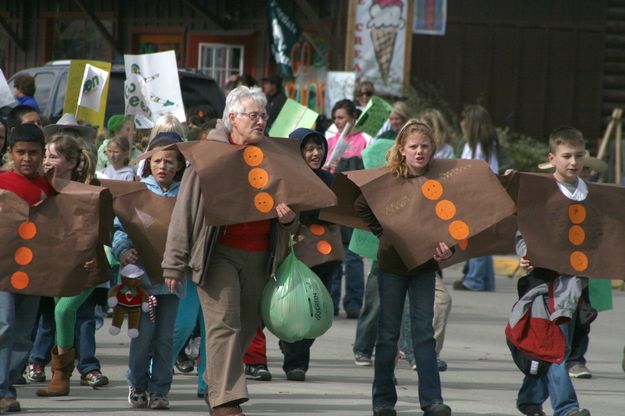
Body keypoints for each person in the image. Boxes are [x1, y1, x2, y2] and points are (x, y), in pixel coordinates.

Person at [161, 85, 298, 416]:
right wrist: (173, 263)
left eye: (264, 115)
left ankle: (214, 383)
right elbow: (186, 209)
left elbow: (294, 216)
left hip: (261, 255)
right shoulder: (210, 154)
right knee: (224, 324)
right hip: (217, 254)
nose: (261, 121)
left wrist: (290, 220)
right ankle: (226, 400)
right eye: (254, 115)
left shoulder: (274, 156)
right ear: (232, 118)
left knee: (248, 326)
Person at [354, 120, 452, 416]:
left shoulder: (441, 180)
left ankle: (432, 401)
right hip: (392, 267)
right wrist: (386, 234)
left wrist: (449, 246)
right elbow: (361, 205)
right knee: (388, 334)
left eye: (425, 146)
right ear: (402, 150)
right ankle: (383, 400)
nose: (419, 151)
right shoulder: (388, 180)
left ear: (432, 149)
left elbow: (456, 218)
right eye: (413, 147)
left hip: (424, 266)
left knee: (423, 333)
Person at [514, 126, 591, 416]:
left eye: (579, 155)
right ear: (552, 158)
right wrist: (525, 255)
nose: (573, 162)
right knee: (556, 347)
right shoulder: (540, 193)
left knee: (558, 346)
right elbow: (524, 232)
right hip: (544, 284)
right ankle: (567, 409)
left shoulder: (591, 196)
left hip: (576, 284)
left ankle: (529, 401)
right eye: (567, 155)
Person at [113, 132, 187, 410]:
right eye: (158, 161)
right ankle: (137, 385)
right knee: (142, 336)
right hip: (141, 281)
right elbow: (122, 228)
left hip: (172, 281)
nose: (163, 167)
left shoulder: (186, 193)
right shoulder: (138, 192)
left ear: (179, 165)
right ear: (149, 162)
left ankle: (160, 390)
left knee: (166, 339)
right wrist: (123, 251)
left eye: (170, 161)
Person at [36, 133, 105, 397]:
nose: (46, 161)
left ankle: (63, 373)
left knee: (65, 312)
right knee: (60, 317)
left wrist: (100, 255)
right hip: (55, 264)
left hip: (87, 265)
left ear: (72, 163)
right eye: (45, 155)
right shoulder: (43, 187)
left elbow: (107, 229)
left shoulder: (91, 189)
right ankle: (60, 380)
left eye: (52, 156)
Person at [277, 127, 341, 381]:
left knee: (318, 308)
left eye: (319, 148)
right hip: (296, 254)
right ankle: (296, 362)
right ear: (296, 152)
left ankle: (294, 346)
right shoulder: (284, 180)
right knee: (297, 309)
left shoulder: (330, 180)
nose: (316, 153)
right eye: (308, 148)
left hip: (325, 257)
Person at [0, 124, 55, 412]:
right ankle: (2, 389)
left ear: (42, 154)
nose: (27, 158)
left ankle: (7, 384)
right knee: (4, 325)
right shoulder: (2, 181)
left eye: (34, 152)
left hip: (34, 271)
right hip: (2, 271)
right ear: (11, 152)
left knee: (23, 332)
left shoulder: (49, 187)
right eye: (21, 152)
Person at [352, 101, 409, 365]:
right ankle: (363, 347)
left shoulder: (422, 166)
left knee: (413, 303)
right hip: (385, 243)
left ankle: (409, 351)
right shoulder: (380, 147)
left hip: (412, 243)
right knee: (376, 298)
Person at [326, 99, 368, 318]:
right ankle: (330, 301)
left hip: (353, 205)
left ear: (353, 117)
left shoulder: (364, 140)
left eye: (341, 117)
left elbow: (367, 170)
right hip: (334, 201)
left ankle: (354, 302)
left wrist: (346, 163)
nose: (338, 122)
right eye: (335, 118)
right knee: (334, 255)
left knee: (352, 256)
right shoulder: (330, 139)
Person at [454, 104, 499, 292]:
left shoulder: (477, 147)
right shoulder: (487, 145)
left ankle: (475, 280)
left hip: (476, 195)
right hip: (486, 194)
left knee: (474, 240)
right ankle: (485, 280)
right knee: (482, 240)